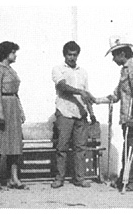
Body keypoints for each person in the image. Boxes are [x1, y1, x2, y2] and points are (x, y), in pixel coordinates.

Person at [95, 36, 133, 192]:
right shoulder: (124, 70)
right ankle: (132, 178)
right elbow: (116, 95)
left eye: (114, 55)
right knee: (130, 146)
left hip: (132, 117)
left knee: (132, 147)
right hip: (125, 117)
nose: (113, 59)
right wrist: (96, 100)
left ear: (122, 54)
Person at [51, 41, 96, 188]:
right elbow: (61, 86)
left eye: (74, 55)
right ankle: (59, 178)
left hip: (80, 114)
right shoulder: (58, 69)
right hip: (65, 113)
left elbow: (86, 94)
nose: (72, 57)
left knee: (80, 148)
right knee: (62, 147)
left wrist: (92, 114)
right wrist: (80, 91)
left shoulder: (83, 72)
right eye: (69, 54)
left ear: (78, 55)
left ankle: (79, 178)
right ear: (64, 55)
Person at [0, 41, 28, 193]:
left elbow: (15, 92)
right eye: (13, 52)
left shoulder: (11, 70)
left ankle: (14, 178)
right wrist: (0, 111)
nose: (15, 55)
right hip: (3, 104)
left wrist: (21, 110)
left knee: (14, 143)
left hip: (13, 105)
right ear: (6, 53)